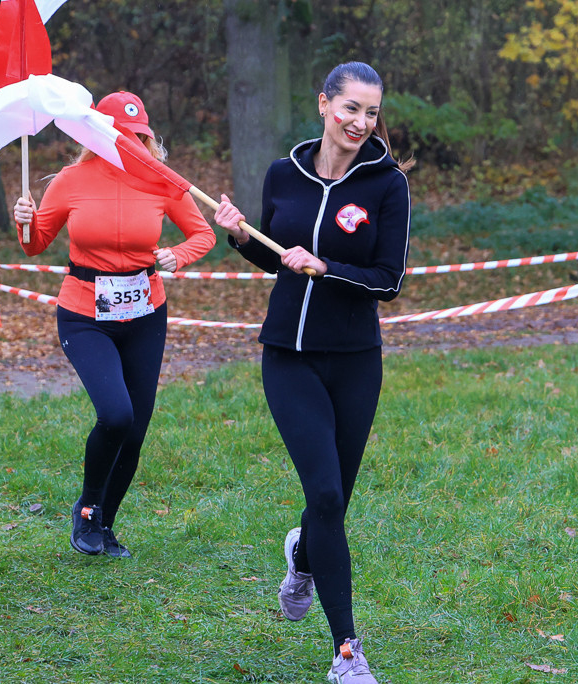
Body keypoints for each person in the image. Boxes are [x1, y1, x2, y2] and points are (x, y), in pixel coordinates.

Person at [214, 62, 412, 684]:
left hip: (355, 362)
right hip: (289, 357)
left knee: (333, 506)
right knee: (324, 494)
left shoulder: (387, 184)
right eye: (351, 108)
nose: (361, 122)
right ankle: (347, 654)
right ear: (324, 103)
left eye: (371, 112)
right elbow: (276, 257)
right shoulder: (283, 174)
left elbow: (389, 281)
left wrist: (326, 267)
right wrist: (240, 237)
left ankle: (303, 555)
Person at [12, 91, 216, 558]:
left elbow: (201, 233)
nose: (129, 142)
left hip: (145, 316)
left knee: (136, 430)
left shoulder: (162, 180)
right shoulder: (70, 180)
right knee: (116, 415)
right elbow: (35, 243)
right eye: (118, 134)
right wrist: (25, 222)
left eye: (137, 134)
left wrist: (177, 255)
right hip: (85, 315)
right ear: (95, 136)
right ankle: (86, 508)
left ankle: (104, 524)